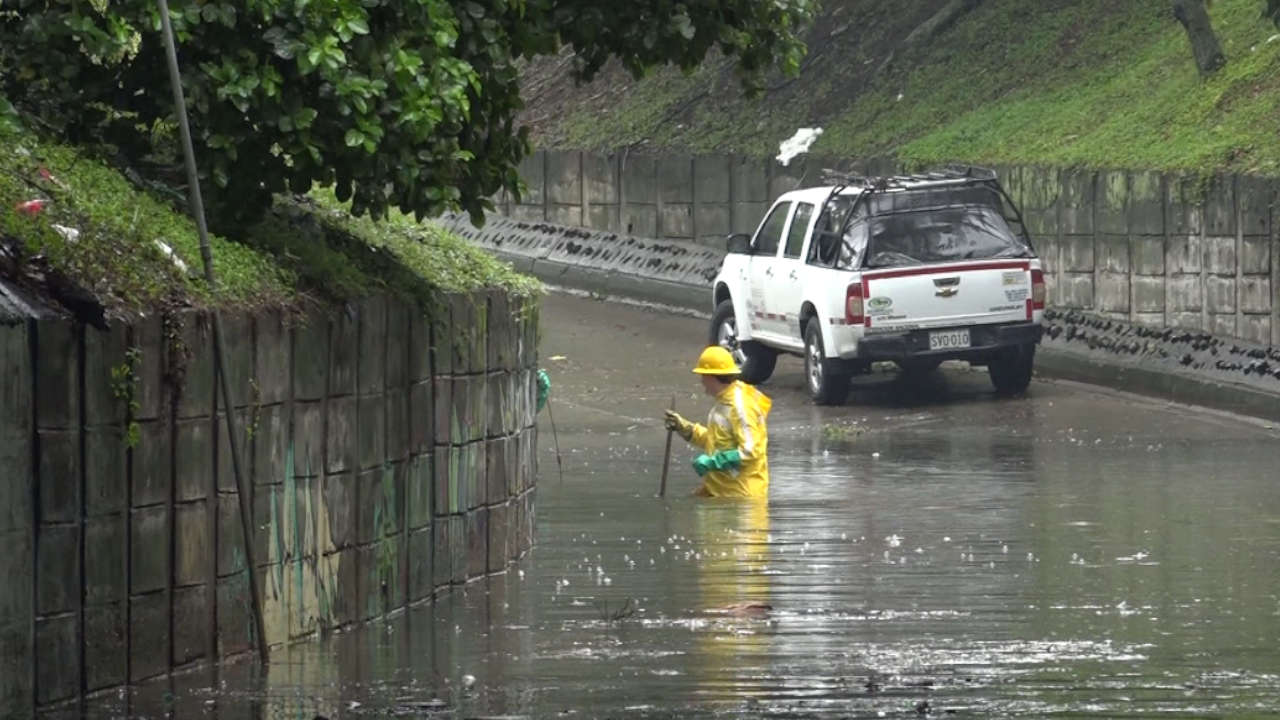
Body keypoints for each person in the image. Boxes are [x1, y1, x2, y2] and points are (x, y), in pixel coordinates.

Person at [663, 346, 771, 498]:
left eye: (703, 376)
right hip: (719, 489)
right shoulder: (723, 402)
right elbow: (718, 441)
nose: (702, 382)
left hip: (740, 496)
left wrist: (713, 462)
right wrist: (685, 428)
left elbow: (751, 452)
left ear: (711, 376)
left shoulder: (741, 407)